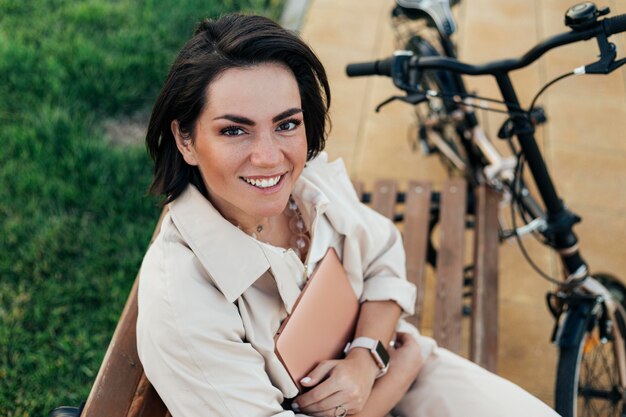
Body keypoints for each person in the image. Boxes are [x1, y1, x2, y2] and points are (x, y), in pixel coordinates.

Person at [136, 13, 560, 417]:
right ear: (186, 140)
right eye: (234, 130)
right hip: (399, 369)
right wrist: (396, 372)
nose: (270, 158)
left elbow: (383, 259)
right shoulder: (184, 300)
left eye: (286, 124)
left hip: (394, 366)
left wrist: (365, 357)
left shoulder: (308, 184)